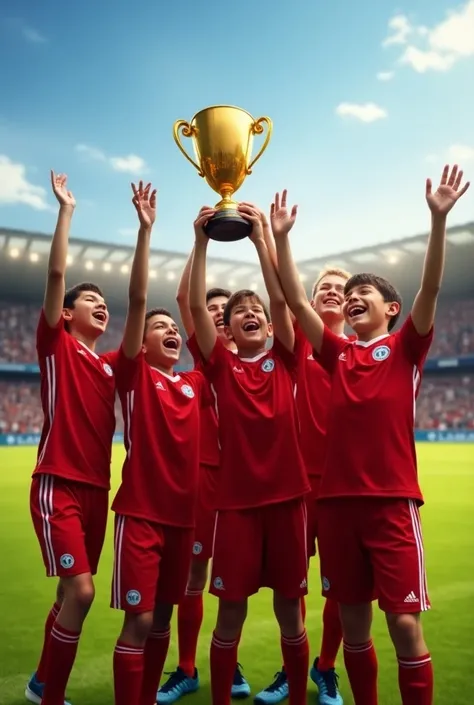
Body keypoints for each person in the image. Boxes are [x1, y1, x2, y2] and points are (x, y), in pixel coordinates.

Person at [273, 167, 470, 705]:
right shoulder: (337, 355)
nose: (354, 297)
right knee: (354, 631)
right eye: (349, 293)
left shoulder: (407, 347)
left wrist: (437, 219)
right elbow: (295, 299)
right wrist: (283, 239)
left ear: (392, 310)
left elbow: (429, 285)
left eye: (366, 293)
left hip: (390, 504)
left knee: (404, 627)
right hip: (336, 508)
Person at [188, 202, 310, 705]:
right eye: (241, 313)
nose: (253, 315)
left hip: (288, 501)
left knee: (290, 609)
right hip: (235, 506)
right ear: (229, 331)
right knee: (230, 610)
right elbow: (196, 310)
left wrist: (264, 240)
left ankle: (298, 696)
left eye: (256, 310)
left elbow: (283, 302)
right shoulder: (219, 366)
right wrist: (200, 243)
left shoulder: (287, 356)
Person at [111, 182, 209, 705]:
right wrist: (146, 231)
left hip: (183, 519)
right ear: (142, 342)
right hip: (142, 514)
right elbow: (138, 301)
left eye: (174, 329)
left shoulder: (194, 384)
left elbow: (192, 315)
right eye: (160, 328)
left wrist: (202, 242)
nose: (171, 331)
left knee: (163, 618)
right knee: (140, 617)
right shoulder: (133, 374)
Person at [27, 172, 118, 705]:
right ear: (67, 315)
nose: (100, 306)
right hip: (58, 484)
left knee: (69, 592)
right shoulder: (55, 342)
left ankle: (42, 680)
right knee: (82, 592)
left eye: (105, 303)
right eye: (91, 301)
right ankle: (53, 695)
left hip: (96, 494)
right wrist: (66, 210)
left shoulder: (108, 367)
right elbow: (57, 270)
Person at [158, 243, 250, 704]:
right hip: (206, 476)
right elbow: (182, 299)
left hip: (249, 484)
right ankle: (188, 667)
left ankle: (230, 667)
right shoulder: (205, 355)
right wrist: (203, 239)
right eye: (210, 308)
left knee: (237, 581)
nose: (217, 313)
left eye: (224, 308)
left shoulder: (262, 358)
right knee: (195, 576)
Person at [255, 264, 349, 705]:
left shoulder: (363, 348)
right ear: (309, 301)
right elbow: (282, 291)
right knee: (293, 587)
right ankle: (291, 668)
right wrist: (268, 240)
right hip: (294, 484)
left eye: (340, 288)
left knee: (343, 587)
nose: (331, 292)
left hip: (344, 487)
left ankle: (325, 665)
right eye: (323, 288)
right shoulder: (296, 345)